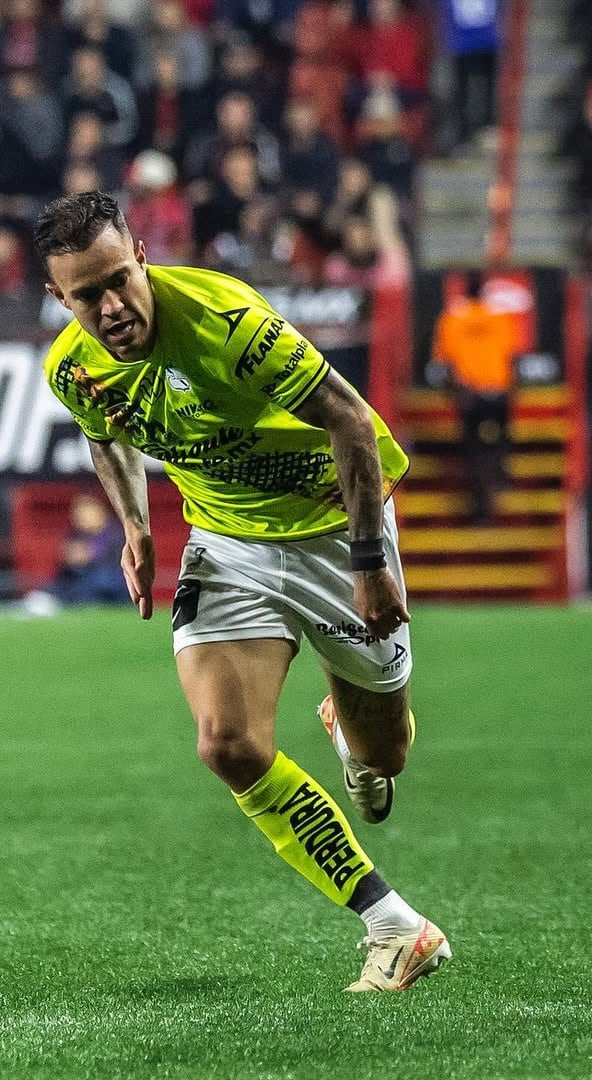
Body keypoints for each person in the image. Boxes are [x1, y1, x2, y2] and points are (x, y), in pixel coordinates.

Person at [34, 191, 450, 992]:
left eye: (120, 281)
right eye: (88, 296)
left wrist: (369, 562)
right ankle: (395, 926)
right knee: (226, 743)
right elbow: (104, 433)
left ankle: (349, 726)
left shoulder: (227, 323)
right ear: (59, 297)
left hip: (334, 529)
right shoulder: (72, 368)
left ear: (142, 257)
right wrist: (135, 526)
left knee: (384, 754)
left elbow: (350, 422)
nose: (112, 307)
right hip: (227, 544)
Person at [432, 269, 518, 522]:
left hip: (471, 393)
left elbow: (445, 364)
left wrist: (457, 392)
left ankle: (482, 506)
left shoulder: (453, 317)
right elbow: (512, 358)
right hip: (497, 391)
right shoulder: (499, 316)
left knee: (474, 451)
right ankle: (498, 480)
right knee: (497, 442)